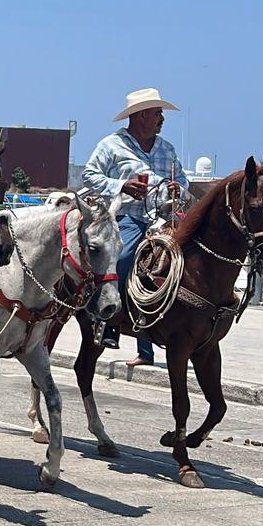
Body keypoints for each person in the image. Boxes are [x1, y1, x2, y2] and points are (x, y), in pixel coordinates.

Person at [82, 87, 188, 367]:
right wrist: (122, 186)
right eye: (157, 113)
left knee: (180, 266)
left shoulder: (167, 148)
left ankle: (161, 338)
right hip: (126, 217)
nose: (162, 118)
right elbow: (89, 175)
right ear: (140, 116)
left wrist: (180, 188)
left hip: (162, 218)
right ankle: (105, 321)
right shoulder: (111, 145)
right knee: (123, 260)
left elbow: (184, 180)